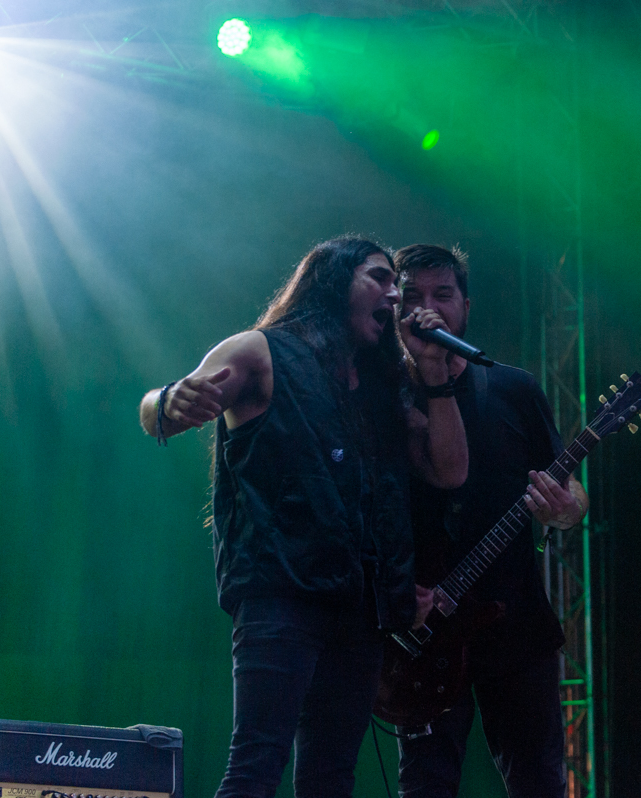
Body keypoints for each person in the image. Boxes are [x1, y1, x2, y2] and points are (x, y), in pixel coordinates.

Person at [137, 236, 468, 798]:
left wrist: (434, 370)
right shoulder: (261, 351)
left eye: (397, 285)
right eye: (379, 278)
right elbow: (157, 413)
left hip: (360, 610)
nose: (395, 295)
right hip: (281, 592)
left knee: (331, 777)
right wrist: (166, 401)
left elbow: (449, 471)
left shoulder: (383, 385)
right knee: (256, 763)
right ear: (333, 281)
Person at [392, 244, 588, 798]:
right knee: (426, 784)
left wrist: (565, 508)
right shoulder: (384, 398)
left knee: (539, 781)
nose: (427, 308)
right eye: (412, 296)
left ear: (466, 306)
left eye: (443, 294)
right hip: (424, 632)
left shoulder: (513, 388)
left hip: (516, 626)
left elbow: (572, 492)